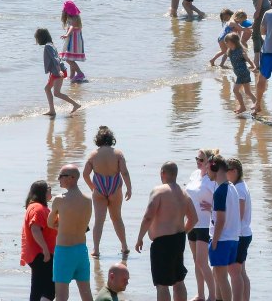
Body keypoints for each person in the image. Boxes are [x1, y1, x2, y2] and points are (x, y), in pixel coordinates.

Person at [135, 161, 197, 301]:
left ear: (162, 173)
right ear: (175, 174)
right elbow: (194, 219)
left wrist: (140, 237)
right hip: (179, 239)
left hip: (162, 243)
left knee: (162, 284)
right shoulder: (184, 193)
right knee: (178, 280)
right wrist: (183, 233)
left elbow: (148, 216)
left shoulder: (159, 191)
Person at [83, 126, 133, 257]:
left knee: (99, 220)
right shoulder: (117, 154)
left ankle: (96, 249)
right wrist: (129, 188)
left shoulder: (93, 155)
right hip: (114, 187)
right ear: (111, 139)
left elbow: (85, 174)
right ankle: (124, 246)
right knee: (116, 218)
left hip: (99, 187)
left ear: (97, 140)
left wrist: (92, 187)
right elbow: (125, 172)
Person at [49, 164, 93, 301]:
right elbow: (84, 224)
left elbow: (50, 223)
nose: (58, 179)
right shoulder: (88, 200)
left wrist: (60, 224)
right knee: (86, 294)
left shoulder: (59, 199)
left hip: (64, 250)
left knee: (61, 296)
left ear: (71, 178)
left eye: (61, 176)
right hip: (81, 250)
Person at [206, 155, 243, 301]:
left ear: (215, 168)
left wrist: (214, 240)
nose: (207, 172)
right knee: (218, 274)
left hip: (222, 239)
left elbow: (221, 219)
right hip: (233, 239)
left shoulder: (220, 191)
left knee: (221, 278)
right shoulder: (232, 187)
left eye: (208, 169)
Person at [186, 149, 219, 301]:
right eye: (197, 159)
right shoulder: (194, 175)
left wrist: (212, 207)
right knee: (196, 261)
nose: (198, 161)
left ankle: (212, 296)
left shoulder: (212, 179)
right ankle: (200, 294)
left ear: (209, 162)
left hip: (205, 224)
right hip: (191, 223)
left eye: (201, 159)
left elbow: (222, 201)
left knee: (202, 261)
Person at [22, 180, 57, 301]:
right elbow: (35, 229)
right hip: (41, 254)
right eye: (49, 189)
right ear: (42, 192)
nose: (51, 191)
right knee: (51, 289)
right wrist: (45, 250)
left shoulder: (35, 206)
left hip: (37, 253)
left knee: (37, 288)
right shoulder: (38, 208)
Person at [232, 0, 272, 67]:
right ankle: (267, 57)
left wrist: (258, 11)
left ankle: (256, 64)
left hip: (263, 9)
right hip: (267, 7)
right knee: (259, 35)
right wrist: (271, 4)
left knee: (255, 35)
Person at [35, 28, 81, 117]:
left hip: (58, 71)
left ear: (41, 37)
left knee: (56, 93)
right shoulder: (51, 45)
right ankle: (52, 110)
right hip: (56, 71)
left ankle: (75, 104)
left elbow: (55, 59)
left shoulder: (48, 46)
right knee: (47, 89)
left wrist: (59, 70)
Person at [227, 158, 252, 301]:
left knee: (235, 272)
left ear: (234, 171)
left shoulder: (239, 188)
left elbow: (239, 214)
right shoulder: (241, 185)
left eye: (227, 170)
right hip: (244, 233)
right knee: (241, 272)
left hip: (240, 235)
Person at [224, 32, 257, 114]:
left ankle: (242, 106)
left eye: (227, 42)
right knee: (248, 92)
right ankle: (257, 104)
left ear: (232, 42)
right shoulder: (230, 50)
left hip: (242, 73)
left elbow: (248, 59)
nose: (226, 44)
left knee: (235, 90)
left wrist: (254, 66)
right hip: (242, 73)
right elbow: (226, 56)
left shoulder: (240, 50)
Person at [59, 1, 86, 83]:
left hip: (73, 40)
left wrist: (67, 34)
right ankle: (72, 76)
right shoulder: (76, 17)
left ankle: (80, 73)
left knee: (68, 59)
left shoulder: (72, 18)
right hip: (76, 40)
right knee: (71, 58)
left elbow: (71, 27)